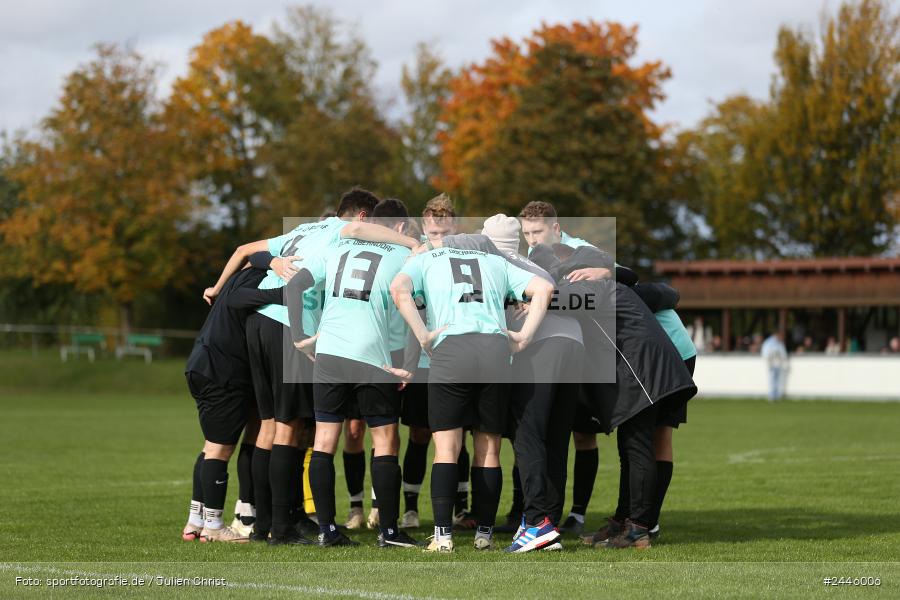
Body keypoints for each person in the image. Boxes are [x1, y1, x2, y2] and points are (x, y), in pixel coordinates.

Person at [205, 187, 421, 545]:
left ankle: (279, 523)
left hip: (264, 322)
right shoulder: (352, 237)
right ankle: (287, 526)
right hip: (311, 331)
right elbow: (400, 297)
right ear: (366, 220)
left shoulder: (308, 230)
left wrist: (222, 284)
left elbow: (247, 253)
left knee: (281, 428)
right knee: (297, 429)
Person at [390, 240, 554, 552]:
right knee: (489, 448)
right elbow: (545, 288)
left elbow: (399, 290)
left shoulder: (427, 257)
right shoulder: (496, 261)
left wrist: (423, 335)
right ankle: (485, 534)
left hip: (452, 347)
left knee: (446, 448)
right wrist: (524, 337)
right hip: (494, 347)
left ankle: (443, 537)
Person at [183, 252, 291, 543]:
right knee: (219, 450)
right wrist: (283, 291)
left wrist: (268, 262)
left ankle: (196, 520)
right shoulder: (256, 281)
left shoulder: (241, 274)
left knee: (211, 448)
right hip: (223, 372)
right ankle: (215, 526)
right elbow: (240, 299)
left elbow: (252, 254)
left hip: (202, 364)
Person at [761, 332, 788, 401]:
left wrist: (783, 359)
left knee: (778, 380)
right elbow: (766, 353)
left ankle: (777, 395)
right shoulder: (769, 342)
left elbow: (783, 353)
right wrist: (769, 360)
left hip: (778, 364)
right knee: (772, 380)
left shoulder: (779, 343)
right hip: (771, 364)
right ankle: (772, 395)